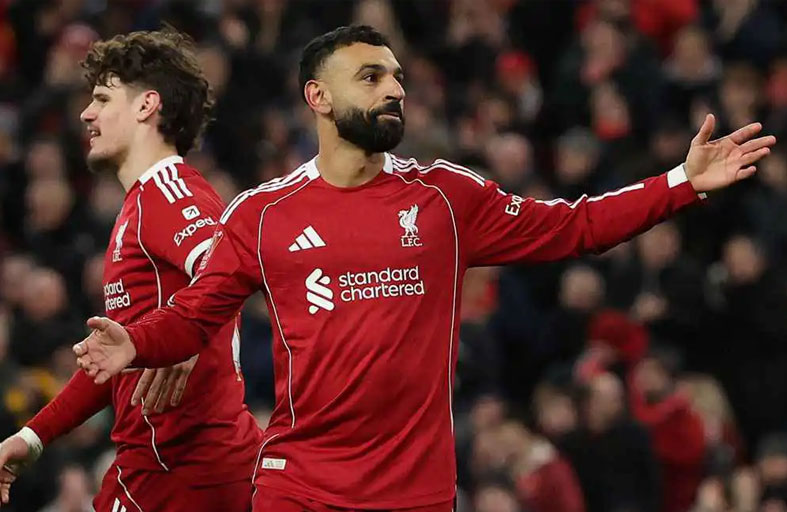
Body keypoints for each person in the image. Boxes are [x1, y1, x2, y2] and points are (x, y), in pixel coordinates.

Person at [70, 25, 775, 512]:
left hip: (415, 492)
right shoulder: (262, 213)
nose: (393, 89)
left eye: (397, 77)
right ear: (318, 97)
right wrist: (137, 342)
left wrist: (679, 183)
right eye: (371, 76)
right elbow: (196, 314)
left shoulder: (444, 198)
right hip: (299, 488)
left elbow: (574, 227)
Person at [0, 29, 262, 511]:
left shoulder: (168, 190)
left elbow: (225, 270)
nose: (87, 113)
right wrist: (32, 437)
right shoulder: (139, 206)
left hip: (181, 470)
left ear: (146, 106)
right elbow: (116, 358)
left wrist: (192, 329)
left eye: (103, 98)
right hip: (163, 468)